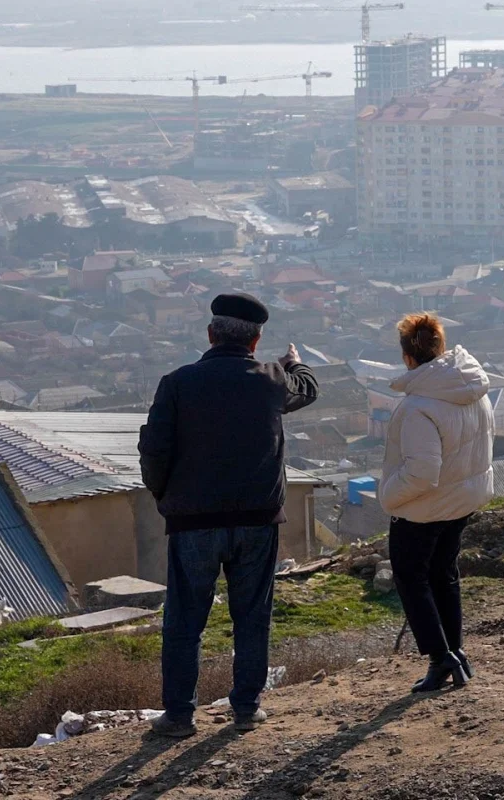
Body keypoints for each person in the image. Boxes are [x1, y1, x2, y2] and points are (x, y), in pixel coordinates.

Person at [138, 292, 320, 737]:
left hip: (193, 522)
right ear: (256, 341)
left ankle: (180, 716)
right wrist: (294, 363)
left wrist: (167, 499)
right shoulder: (272, 379)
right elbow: (308, 390)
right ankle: (246, 708)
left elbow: (153, 452)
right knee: (251, 615)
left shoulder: (178, 383)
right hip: (258, 521)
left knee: (185, 620)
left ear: (210, 334)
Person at [379, 313, 494, 693]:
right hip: (462, 500)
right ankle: (455, 651)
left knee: (411, 578)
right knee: (444, 574)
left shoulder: (419, 407)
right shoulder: (472, 389)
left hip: (423, 508)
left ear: (407, 357)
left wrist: (388, 497)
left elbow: (422, 473)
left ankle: (439, 656)